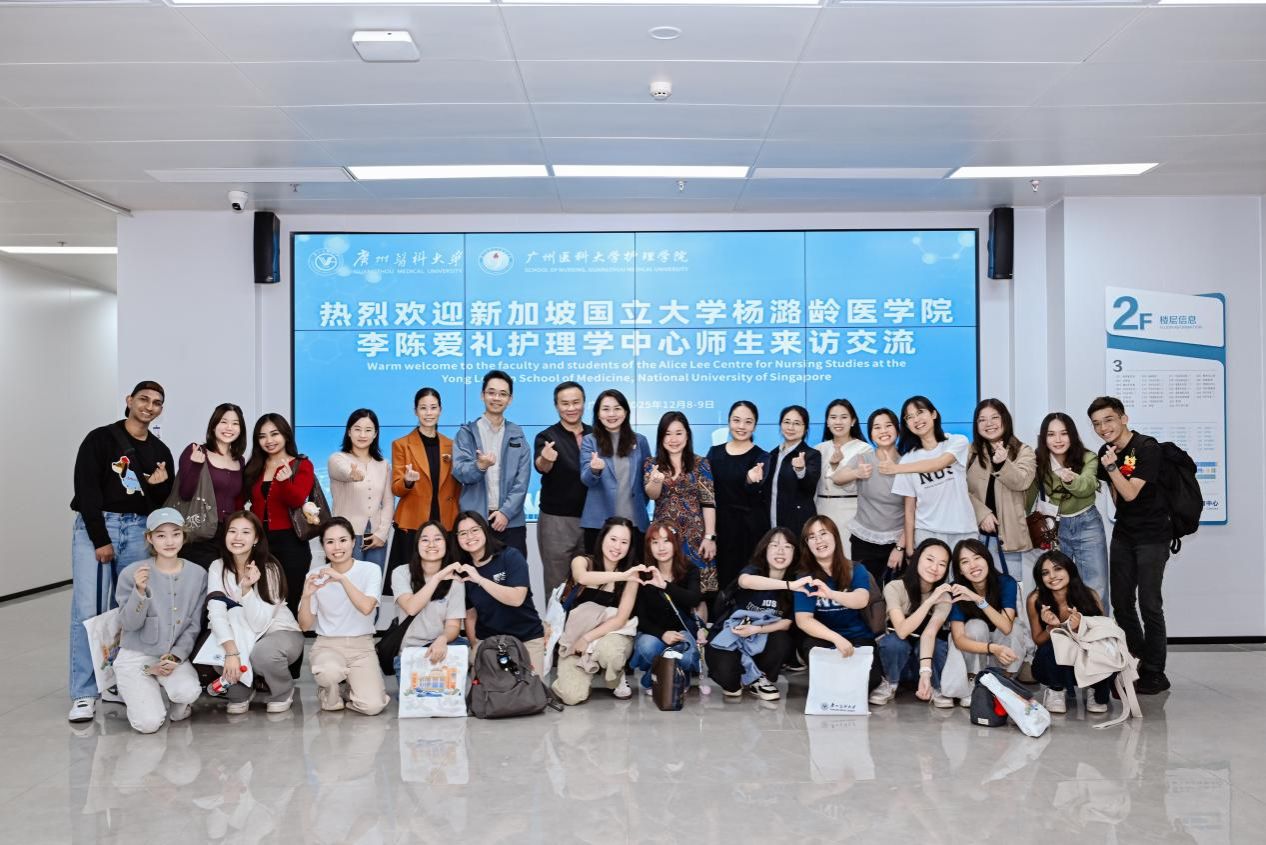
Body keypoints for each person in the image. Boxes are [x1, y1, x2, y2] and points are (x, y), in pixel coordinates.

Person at [68, 380, 175, 724]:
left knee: (131, 611)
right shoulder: (100, 439)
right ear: (129, 400)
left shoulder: (160, 451)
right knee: (88, 611)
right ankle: (84, 692)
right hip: (99, 527)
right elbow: (86, 490)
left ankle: (116, 681)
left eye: (156, 402)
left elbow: (158, 507)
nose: (149, 406)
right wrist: (100, 539)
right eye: (143, 399)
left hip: (139, 530)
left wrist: (159, 487)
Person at [1088, 395, 1172, 695]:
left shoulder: (1147, 447)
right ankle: (1136, 661)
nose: (1103, 428)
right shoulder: (1106, 451)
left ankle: (1156, 671)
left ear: (1124, 418)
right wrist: (1111, 470)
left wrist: (1112, 468)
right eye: (1097, 424)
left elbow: (1131, 493)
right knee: (1122, 603)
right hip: (1124, 534)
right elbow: (1117, 498)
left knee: (1150, 604)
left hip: (1153, 536)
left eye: (1109, 420)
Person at [112, 508, 208, 733]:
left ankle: (167, 697)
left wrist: (176, 655)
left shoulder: (198, 574)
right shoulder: (132, 573)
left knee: (188, 691)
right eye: (161, 535)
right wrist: (139, 591)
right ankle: (140, 691)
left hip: (170, 656)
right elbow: (129, 624)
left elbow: (194, 625)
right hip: (136, 657)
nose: (169, 541)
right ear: (150, 538)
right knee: (148, 724)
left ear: (184, 536)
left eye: (176, 534)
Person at [205, 510, 304, 714]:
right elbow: (216, 612)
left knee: (264, 654)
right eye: (232, 531)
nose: (238, 537)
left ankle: (282, 691)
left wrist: (247, 590)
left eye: (245, 532)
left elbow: (259, 624)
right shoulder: (217, 566)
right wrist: (231, 651)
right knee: (217, 646)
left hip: (277, 632)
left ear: (256, 538)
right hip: (240, 633)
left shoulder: (270, 568)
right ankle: (241, 691)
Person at [298, 518, 389, 715]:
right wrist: (306, 596)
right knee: (329, 674)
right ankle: (328, 692)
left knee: (372, 707)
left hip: (362, 646)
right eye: (330, 542)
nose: (337, 547)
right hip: (327, 645)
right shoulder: (315, 575)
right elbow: (304, 626)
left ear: (353, 542)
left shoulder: (370, 570)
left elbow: (366, 607)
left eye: (343, 540)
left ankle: (348, 688)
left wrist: (341, 579)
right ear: (323, 546)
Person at [706, 528, 807, 701]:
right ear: (765, 549)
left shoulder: (796, 581)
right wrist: (788, 585)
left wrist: (756, 629)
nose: (780, 551)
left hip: (760, 638)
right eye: (774, 545)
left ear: (795, 553)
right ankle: (741, 677)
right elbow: (745, 581)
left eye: (787, 547)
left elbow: (786, 623)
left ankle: (760, 678)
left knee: (782, 640)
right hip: (731, 637)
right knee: (732, 687)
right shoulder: (754, 570)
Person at [551, 517, 642, 705]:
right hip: (576, 635)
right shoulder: (582, 561)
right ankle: (585, 675)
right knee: (571, 697)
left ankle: (615, 675)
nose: (617, 546)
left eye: (624, 542)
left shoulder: (632, 575)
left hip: (611, 633)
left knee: (611, 654)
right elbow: (582, 578)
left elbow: (621, 619)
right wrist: (622, 575)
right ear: (602, 538)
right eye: (613, 539)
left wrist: (587, 638)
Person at [793, 515, 883, 693]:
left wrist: (831, 594)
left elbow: (861, 599)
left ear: (835, 536)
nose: (819, 540)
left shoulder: (855, 569)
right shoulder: (805, 577)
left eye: (823, 533)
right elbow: (803, 620)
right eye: (812, 537)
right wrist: (836, 638)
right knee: (827, 677)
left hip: (858, 636)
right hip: (823, 638)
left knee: (871, 680)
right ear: (807, 544)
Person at [1026, 412, 1108, 600]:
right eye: (1051, 434)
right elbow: (1028, 498)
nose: (1058, 440)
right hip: (1055, 528)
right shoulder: (1038, 461)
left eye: (1064, 433)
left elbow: (1087, 486)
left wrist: (1071, 480)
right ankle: (1063, 621)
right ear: (1043, 437)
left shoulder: (1088, 457)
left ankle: (1098, 621)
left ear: (1073, 435)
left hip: (1088, 524)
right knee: (1058, 587)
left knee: (1096, 586)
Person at [454, 510, 546, 673]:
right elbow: (470, 614)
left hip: (526, 638)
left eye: (474, 530)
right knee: (486, 688)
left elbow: (517, 598)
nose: (469, 537)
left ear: (485, 530)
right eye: (463, 533)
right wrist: (476, 646)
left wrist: (480, 579)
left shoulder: (510, 556)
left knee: (531, 688)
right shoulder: (464, 569)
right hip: (489, 642)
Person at [388, 387, 460, 593]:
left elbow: (458, 487)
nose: (429, 413)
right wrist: (408, 481)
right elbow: (396, 489)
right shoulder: (401, 445)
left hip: (445, 523)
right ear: (415, 411)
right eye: (423, 408)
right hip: (413, 524)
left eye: (433, 407)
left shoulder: (452, 445)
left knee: (445, 586)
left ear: (440, 410)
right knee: (411, 585)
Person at [244, 414, 315, 617]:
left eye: (274, 434)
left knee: (291, 599)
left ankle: (293, 638)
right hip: (260, 541)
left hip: (291, 541)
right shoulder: (255, 466)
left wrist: (285, 482)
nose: (269, 440)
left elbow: (297, 500)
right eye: (262, 436)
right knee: (261, 598)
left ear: (285, 435)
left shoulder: (302, 464)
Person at [453, 370, 531, 556]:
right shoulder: (467, 433)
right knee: (474, 573)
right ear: (483, 395)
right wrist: (479, 466)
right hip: (475, 523)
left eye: (502, 394)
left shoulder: (517, 434)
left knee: (515, 572)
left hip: (511, 522)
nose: (496, 398)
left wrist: (506, 512)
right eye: (491, 392)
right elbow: (459, 471)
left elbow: (522, 480)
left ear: (510, 399)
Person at [1026, 551, 1111, 714]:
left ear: (1069, 570)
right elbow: (1038, 640)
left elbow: (1102, 634)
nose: (1052, 576)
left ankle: (1094, 687)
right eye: (1045, 573)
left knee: (1099, 649)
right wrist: (1052, 628)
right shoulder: (1035, 599)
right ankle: (1056, 689)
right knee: (1051, 645)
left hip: (1087, 659)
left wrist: (1081, 626)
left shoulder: (1089, 595)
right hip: (1056, 663)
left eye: (1058, 569)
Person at [873, 538, 955, 708]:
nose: (934, 568)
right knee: (894, 642)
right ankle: (890, 684)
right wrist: (930, 601)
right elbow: (902, 631)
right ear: (917, 559)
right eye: (930, 559)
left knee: (939, 645)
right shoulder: (895, 587)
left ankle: (936, 686)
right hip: (897, 664)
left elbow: (929, 634)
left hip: (924, 664)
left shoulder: (944, 596)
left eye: (942, 564)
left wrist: (925, 673)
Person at [945, 538, 1029, 706]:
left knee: (1015, 628)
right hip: (977, 650)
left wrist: (978, 600)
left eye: (977, 558)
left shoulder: (1006, 582)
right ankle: (973, 679)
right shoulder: (956, 590)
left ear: (987, 559)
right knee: (976, 625)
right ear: (959, 569)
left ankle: (1005, 681)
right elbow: (959, 639)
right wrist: (992, 648)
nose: (973, 565)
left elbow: (1006, 627)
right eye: (965, 562)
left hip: (1001, 647)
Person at [891, 395, 977, 553]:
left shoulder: (957, 441)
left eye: (920, 412)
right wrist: (909, 549)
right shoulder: (907, 460)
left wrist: (895, 469)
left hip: (964, 529)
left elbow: (939, 463)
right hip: (927, 532)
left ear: (933, 414)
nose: (916, 419)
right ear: (906, 424)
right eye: (910, 417)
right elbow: (909, 509)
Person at [644, 411, 717, 595]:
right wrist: (656, 481)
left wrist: (710, 537)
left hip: (695, 537)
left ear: (687, 435)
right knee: (666, 588)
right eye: (667, 434)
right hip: (664, 538)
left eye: (678, 433)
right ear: (661, 437)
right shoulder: (652, 464)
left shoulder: (701, 463)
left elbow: (708, 502)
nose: (673, 439)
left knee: (697, 595)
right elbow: (652, 495)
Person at [966, 398, 1037, 585]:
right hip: (976, 538)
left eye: (994, 417)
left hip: (1011, 540)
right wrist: (982, 513)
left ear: (1005, 419)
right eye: (982, 419)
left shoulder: (1023, 451)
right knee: (981, 590)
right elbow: (958, 489)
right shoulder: (970, 452)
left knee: (1013, 591)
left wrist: (1003, 464)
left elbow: (1022, 481)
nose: (989, 424)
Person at [628, 521, 704, 693]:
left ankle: (655, 678)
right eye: (655, 542)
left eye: (666, 541)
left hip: (682, 632)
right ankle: (673, 675)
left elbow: (693, 599)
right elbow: (640, 618)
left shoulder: (689, 569)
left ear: (675, 543)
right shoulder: (643, 574)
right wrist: (662, 634)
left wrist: (665, 585)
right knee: (647, 647)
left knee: (687, 656)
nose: (661, 547)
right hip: (654, 634)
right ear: (649, 547)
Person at [535, 381, 593, 593]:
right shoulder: (547, 437)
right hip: (556, 522)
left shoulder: (596, 434)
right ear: (556, 406)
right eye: (565, 403)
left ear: (584, 403)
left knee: (590, 584)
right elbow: (542, 466)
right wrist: (546, 458)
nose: (571, 408)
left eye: (576, 402)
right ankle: (555, 618)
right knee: (557, 585)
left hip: (592, 522)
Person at [580, 388, 651, 556]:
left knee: (636, 571)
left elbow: (646, 479)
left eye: (617, 408)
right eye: (605, 409)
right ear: (598, 414)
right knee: (599, 571)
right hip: (599, 525)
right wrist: (594, 469)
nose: (611, 414)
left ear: (625, 412)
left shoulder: (640, 441)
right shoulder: (590, 441)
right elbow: (586, 480)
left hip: (635, 524)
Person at [705, 401, 768, 591]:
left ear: (755, 426)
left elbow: (758, 493)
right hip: (720, 528)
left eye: (748, 422)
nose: (741, 426)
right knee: (721, 583)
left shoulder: (762, 457)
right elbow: (706, 491)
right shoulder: (714, 453)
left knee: (746, 582)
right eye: (736, 420)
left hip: (749, 531)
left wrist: (750, 480)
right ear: (729, 422)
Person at [174, 403, 247, 568]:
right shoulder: (196, 450)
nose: (229, 427)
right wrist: (196, 466)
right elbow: (185, 493)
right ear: (213, 425)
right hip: (199, 533)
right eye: (223, 422)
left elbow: (238, 500)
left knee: (224, 581)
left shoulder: (240, 460)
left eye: (235, 423)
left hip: (228, 536)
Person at [391, 520, 466, 673]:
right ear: (417, 546)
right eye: (425, 540)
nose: (431, 544)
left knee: (463, 649)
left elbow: (453, 626)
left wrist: (442, 639)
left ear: (446, 544)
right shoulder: (401, 573)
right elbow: (411, 608)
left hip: (441, 647)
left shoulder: (455, 581)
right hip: (410, 652)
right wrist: (437, 578)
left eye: (438, 539)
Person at [845, 408, 909, 584]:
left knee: (895, 590)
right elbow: (837, 477)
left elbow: (913, 511)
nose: (883, 431)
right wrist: (856, 473)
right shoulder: (863, 459)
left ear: (898, 429)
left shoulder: (907, 463)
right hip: (863, 539)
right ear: (871, 434)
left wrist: (900, 548)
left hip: (896, 541)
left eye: (888, 425)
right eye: (877, 427)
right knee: (865, 589)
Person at [327, 408, 393, 571]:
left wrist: (382, 533)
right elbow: (342, 471)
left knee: (374, 582)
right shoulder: (337, 459)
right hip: (345, 535)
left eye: (368, 430)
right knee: (346, 580)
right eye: (357, 429)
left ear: (375, 434)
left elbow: (388, 502)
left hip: (376, 535)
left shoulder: (383, 464)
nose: (362, 435)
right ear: (349, 432)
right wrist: (352, 475)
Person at [750, 404, 820, 539]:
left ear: (805, 428)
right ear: (780, 425)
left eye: (797, 423)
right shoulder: (771, 455)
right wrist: (751, 479)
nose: (790, 427)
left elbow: (810, 487)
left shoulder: (812, 455)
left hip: (798, 525)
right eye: (786, 422)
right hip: (770, 524)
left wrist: (800, 470)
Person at [813, 399, 873, 550]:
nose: (838, 422)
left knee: (846, 555)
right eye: (833, 417)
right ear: (827, 422)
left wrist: (836, 465)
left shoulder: (864, 449)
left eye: (844, 417)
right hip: (821, 510)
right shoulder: (818, 449)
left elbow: (853, 484)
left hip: (850, 511)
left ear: (853, 421)